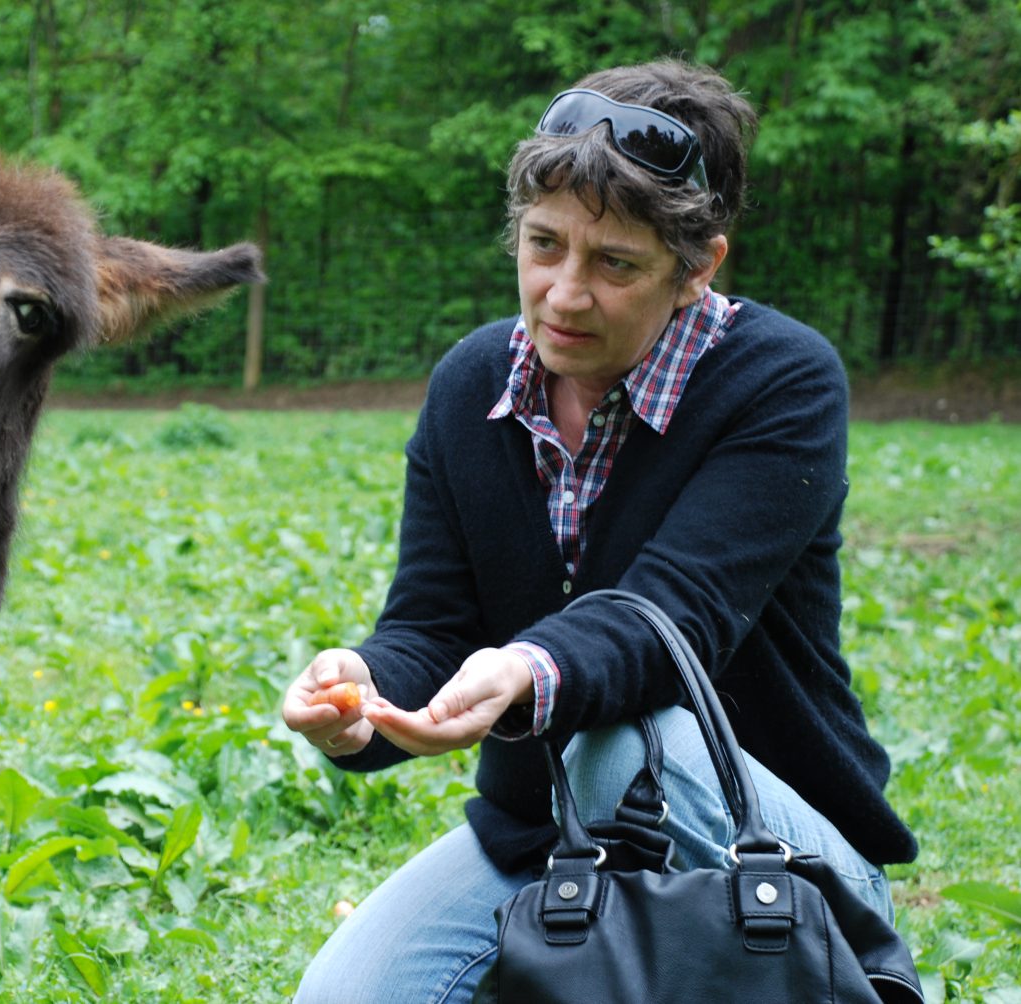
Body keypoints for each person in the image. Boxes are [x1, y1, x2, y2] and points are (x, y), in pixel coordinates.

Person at [282, 59, 918, 1004]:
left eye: (615, 263)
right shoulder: (470, 386)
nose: (564, 294)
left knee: (620, 745)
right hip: (549, 839)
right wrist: (362, 701)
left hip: (768, 853)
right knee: (344, 996)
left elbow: (674, 615)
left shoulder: (783, 381)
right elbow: (433, 624)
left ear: (697, 268)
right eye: (544, 245)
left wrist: (526, 670)